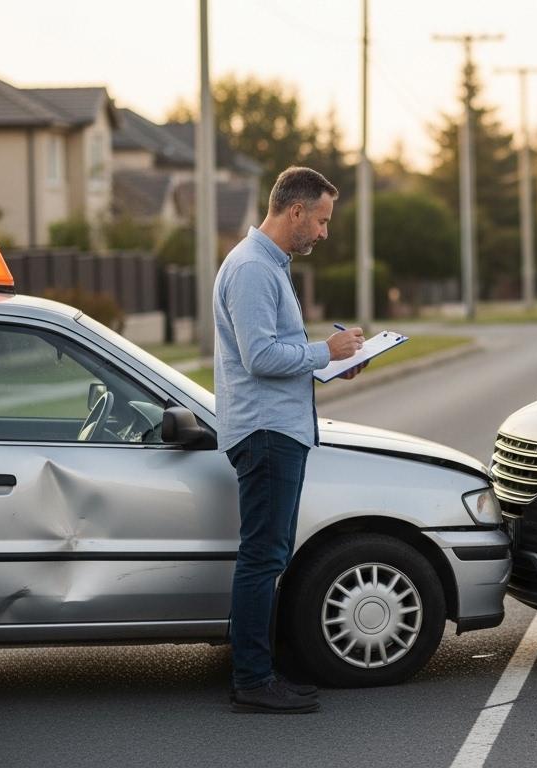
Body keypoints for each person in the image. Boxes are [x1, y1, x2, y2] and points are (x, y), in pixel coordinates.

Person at [214, 166, 365, 713]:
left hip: (275, 430)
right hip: (266, 433)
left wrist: (332, 364)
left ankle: (260, 669)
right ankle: (252, 679)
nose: (324, 233)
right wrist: (325, 352)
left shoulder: (268, 266)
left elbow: (279, 354)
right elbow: (259, 358)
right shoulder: (254, 269)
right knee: (263, 557)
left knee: (267, 555)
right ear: (295, 211)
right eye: (321, 220)